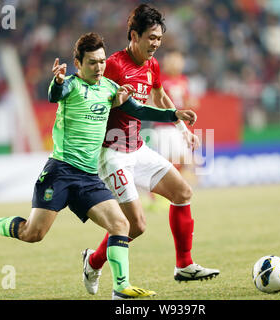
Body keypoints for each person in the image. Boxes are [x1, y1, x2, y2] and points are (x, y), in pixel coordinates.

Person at [0, 32, 196, 300]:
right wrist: (57, 81)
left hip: (88, 177)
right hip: (59, 173)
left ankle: (121, 288)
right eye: (92, 63)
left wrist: (173, 114)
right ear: (78, 63)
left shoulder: (109, 88)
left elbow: (139, 110)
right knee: (32, 233)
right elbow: (54, 94)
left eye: (102, 61)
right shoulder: (70, 85)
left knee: (121, 224)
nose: (99, 68)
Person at [83, 4, 219, 296]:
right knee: (136, 225)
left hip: (137, 148)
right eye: (151, 38)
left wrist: (183, 129)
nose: (155, 44)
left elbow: (159, 95)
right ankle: (94, 263)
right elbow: (90, 99)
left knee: (182, 192)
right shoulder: (114, 66)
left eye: (159, 38)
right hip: (112, 153)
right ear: (134, 35)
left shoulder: (152, 65)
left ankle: (184, 266)